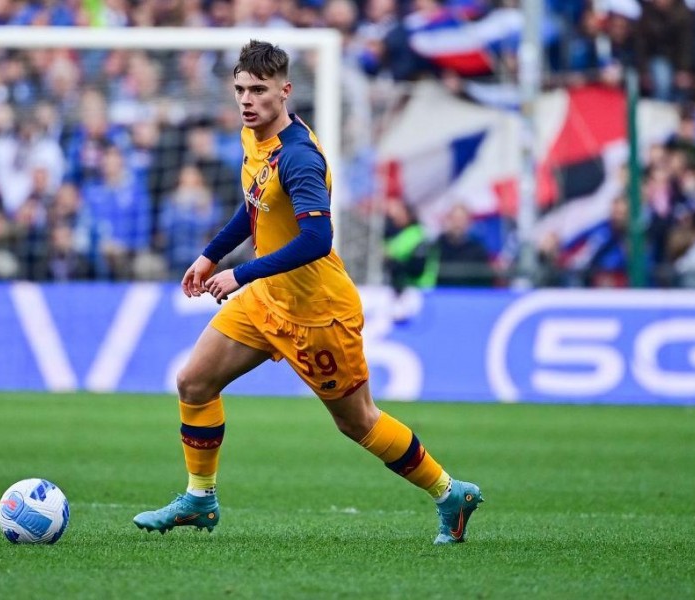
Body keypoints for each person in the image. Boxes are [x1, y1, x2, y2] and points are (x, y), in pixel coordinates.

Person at [132, 40, 483, 545]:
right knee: (194, 383)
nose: (247, 100)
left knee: (358, 422)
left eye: (258, 90)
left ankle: (451, 493)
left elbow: (318, 239)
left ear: (285, 90)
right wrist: (212, 254)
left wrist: (241, 273)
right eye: (240, 90)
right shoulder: (255, 138)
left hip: (318, 315)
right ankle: (200, 498)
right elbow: (255, 205)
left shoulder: (298, 156)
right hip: (267, 300)